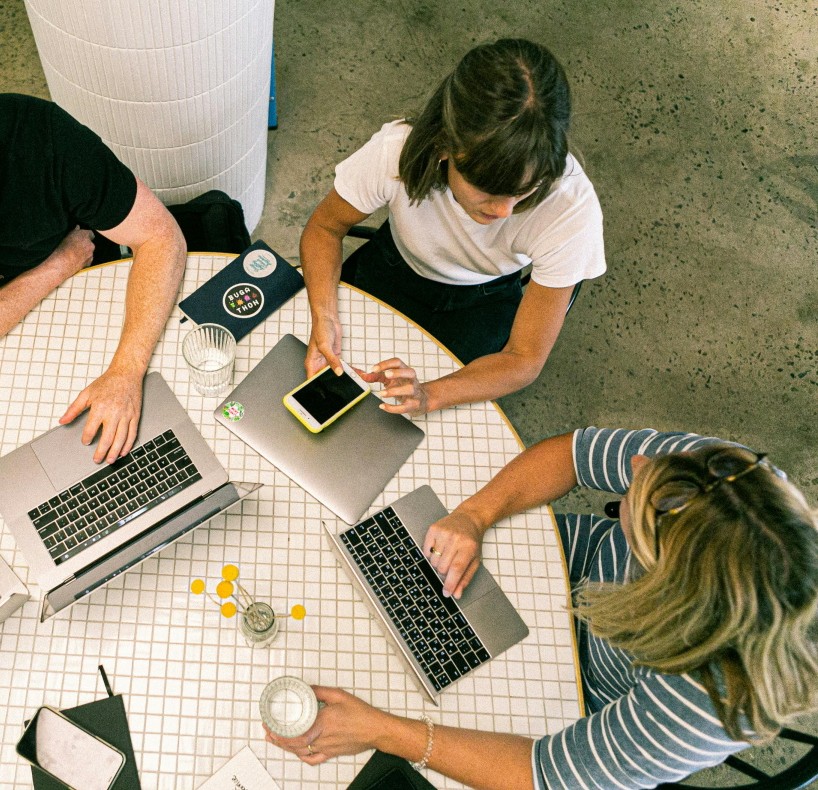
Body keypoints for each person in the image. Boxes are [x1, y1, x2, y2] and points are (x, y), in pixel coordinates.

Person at [265, 427, 818, 788]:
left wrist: (382, 731)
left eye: (645, 499)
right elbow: (572, 454)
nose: (641, 462)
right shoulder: (727, 482)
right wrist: (475, 516)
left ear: (659, 591)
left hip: (575, 704)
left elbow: (544, 774)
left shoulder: (705, 708)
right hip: (559, 568)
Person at [300, 39, 605, 416]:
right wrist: (325, 316)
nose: (505, 211)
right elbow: (325, 229)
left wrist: (430, 394)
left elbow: (524, 359)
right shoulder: (395, 150)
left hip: (483, 301)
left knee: (418, 422)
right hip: (391, 266)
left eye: (526, 189)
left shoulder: (571, 208)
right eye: (488, 189)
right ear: (444, 146)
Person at [0, 93, 186, 465]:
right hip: (56, 277)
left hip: (85, 301)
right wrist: (58, 264)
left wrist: (125, 372)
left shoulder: (40, 135)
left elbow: (161, 238)